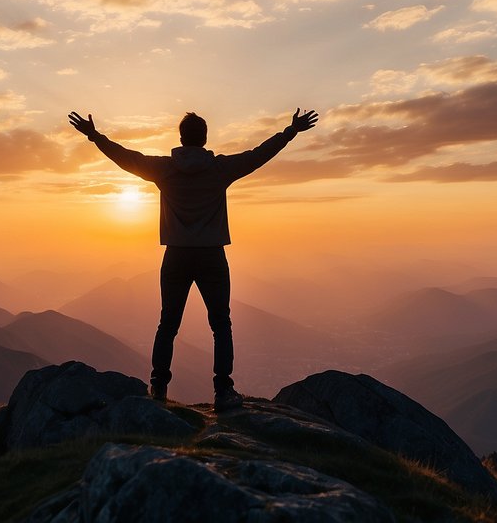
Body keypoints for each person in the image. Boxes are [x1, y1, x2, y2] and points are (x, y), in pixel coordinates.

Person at [67, 108, 319, 411]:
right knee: (221, 324)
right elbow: (257, 155)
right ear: (205, 138)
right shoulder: (219, 169)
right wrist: (290, 131)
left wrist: (94, 136)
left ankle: (158, 388)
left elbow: (126, 158)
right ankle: (223, 391)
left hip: (176, 255)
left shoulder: (164, 169)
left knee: (168, 324)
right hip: (212, 254)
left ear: (181, 139)